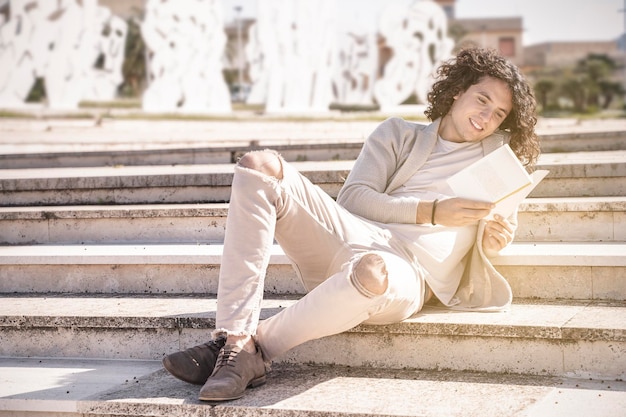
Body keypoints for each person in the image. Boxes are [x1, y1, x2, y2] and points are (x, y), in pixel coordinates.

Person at [162, 47, 540, 402]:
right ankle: (235, 332)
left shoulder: (498, 159)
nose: (487, 118)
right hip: (351, 235)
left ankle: (243, 347)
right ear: (458, 91)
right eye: (483, 100)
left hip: (411, 273)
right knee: (259, 167)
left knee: (373, 272)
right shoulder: (398, 135)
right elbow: (354, 198)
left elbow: (499, 226)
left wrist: (494, 240)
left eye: (500, 114)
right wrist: (432, 211)